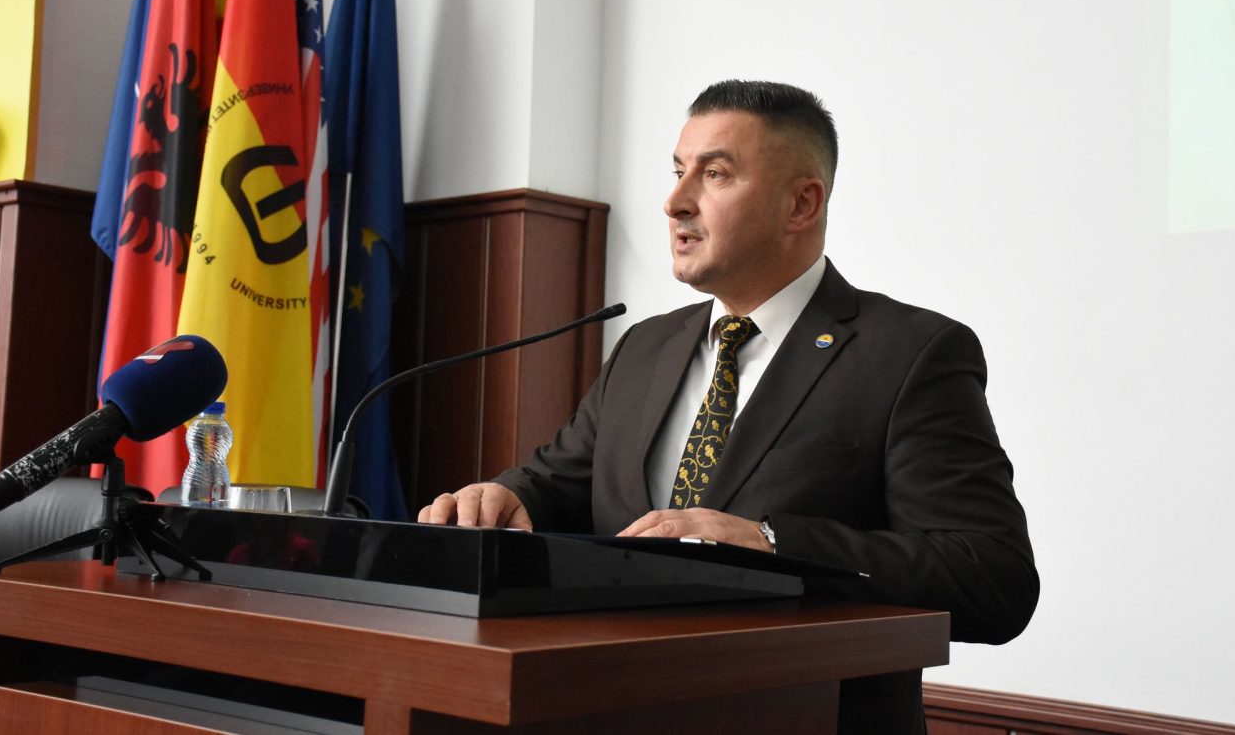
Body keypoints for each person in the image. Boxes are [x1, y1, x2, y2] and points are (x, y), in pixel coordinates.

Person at [420, 80, 1038, 733]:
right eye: (678, 172)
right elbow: (560, 483)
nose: (675, 202)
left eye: (714, 174)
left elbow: (991, 578)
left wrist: (771, 544)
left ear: (801, 203)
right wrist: (509, 497)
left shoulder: (909, 354)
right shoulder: (644, 348)